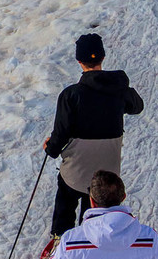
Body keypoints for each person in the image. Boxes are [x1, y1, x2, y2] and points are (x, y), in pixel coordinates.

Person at [44, 32, 144, 238]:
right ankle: (92, 240)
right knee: (96, 205)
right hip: (107, 173)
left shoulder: (71, 95)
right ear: (103, 57)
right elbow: (137, 106)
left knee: (66, 195)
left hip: (77, 173)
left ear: (78, 61)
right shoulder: (118, 90)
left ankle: (60, 240)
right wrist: (122, 88)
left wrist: (50, 148)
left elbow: (61, 133)